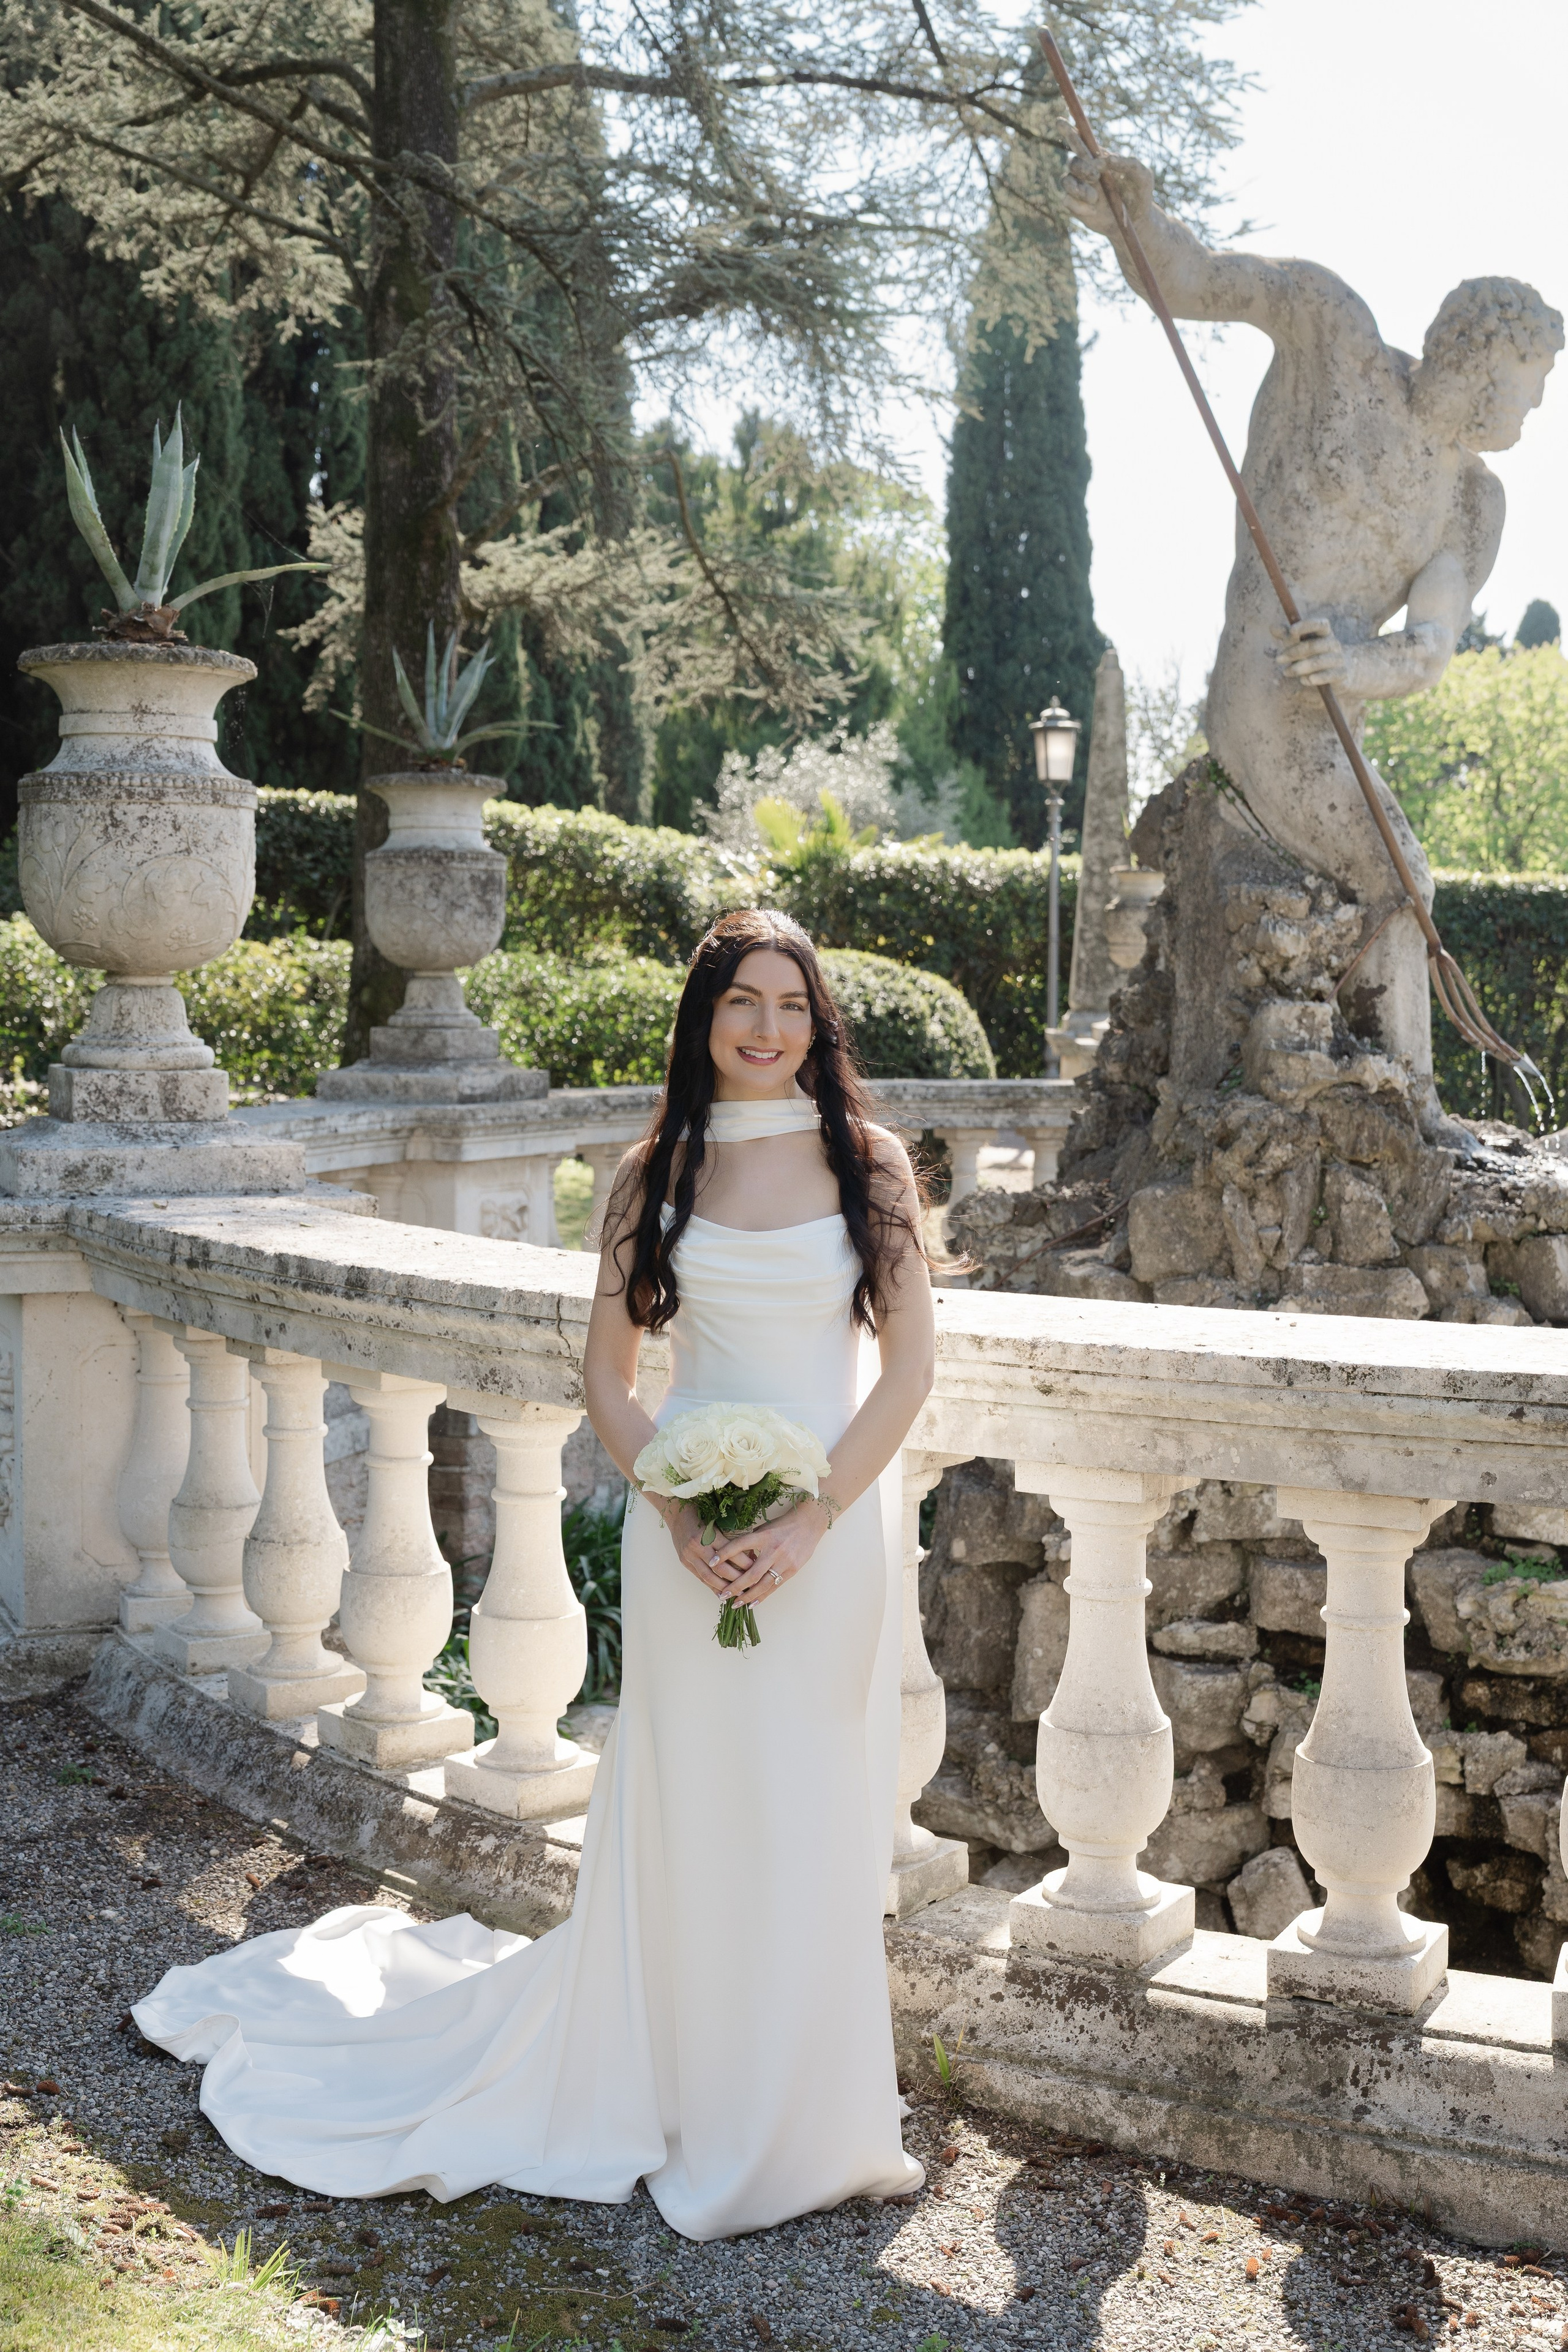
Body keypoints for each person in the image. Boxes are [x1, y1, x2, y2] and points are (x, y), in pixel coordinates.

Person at [132, 908, 934, 2241]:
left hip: (828, 1543)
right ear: (704, 1019)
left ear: (819, 1022)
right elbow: (607, 1381)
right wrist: (677, 1513)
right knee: (692, 1798)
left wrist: (807, 1520)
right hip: (686, 1536)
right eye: (742, 1001)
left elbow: (906, 1370)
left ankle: (805, 2111)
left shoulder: (873, 1166)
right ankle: (672, 2078)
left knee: (806, 1802)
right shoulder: (651, 1171)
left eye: (792, 1005)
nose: (767, 1027)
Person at [1063, 141, 1561, 1133]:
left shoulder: (1471, 504)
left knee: (1398, 873)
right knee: (1399, 872)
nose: (1535, 408)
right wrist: (1135, 220)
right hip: (1259, 692)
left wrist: (1360, 662)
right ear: (1476, 353)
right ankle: (1402, 1105)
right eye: (1529, 382)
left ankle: (1390, 1090)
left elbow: (1428, 647)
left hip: (1336, 711)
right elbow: (1198, 283)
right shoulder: (1334, 334)